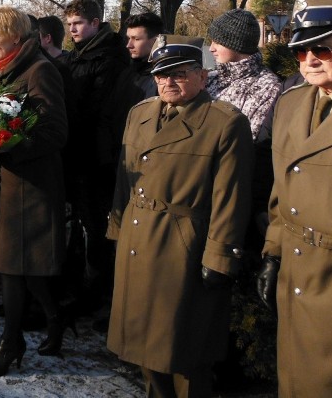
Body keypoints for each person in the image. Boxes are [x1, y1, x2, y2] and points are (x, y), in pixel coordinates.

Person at [107, 35, 253, 398]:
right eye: (161, 74)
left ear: (203, 77)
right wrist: (118, 230)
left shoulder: (224, 123)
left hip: (184, 246)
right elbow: (124, 179)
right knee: (143, 344)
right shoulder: (140, 113)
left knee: (186, 351)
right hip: (140, 240)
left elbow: (231, 197)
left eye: (180, 74)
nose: (168, 82)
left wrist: (219, 257)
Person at [256, 0, 332, 398]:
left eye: (322, 47)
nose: (309, 60)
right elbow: (281, 191)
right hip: (298, 278)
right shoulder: (292, 105)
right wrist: (273, 252)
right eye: (301, 50)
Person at [0, 6, 69, 376]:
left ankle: (11, 342)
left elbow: (55, 132)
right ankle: (57, 317)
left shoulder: (40, 70)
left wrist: (6, 146)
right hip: (7, 183)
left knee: (13, 268)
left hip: (31, 188)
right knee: (23, 270)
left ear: (14, 36)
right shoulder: (5, 71)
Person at [63, 0, 140, 314]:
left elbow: (97, 109)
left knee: (96, 227)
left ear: (95, 23)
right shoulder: (77, 55)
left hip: (97, 155)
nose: (72, 30)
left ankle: (94, 294)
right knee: (79, 224)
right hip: (77, 150)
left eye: (77, 24)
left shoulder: (109, 57)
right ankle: (76, 286)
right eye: (68, 25)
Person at [206, 9, 281, 141]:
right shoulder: (211, 78)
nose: (211, 48)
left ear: (237, 44)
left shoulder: (267, 87)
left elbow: (250, 140)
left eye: (217, 42)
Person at [124, 12, 164, 99]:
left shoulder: (165, 80)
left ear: (156, 41)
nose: (129, 45)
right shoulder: (124, 71)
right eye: (128, 38)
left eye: (136, 39)